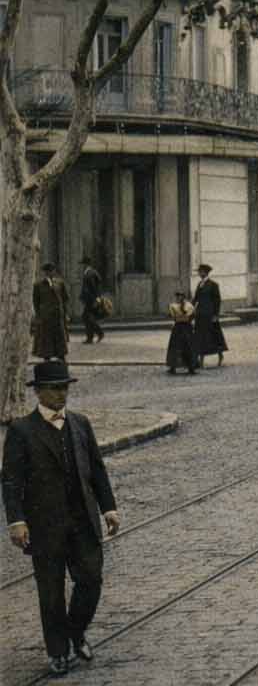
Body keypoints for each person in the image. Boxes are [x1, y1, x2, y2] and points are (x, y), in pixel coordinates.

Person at [4, 361, 121, 677]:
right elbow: (11, 480)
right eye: (55, 388)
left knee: (91, 580)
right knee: (51, 591)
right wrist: (16, 521)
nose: (61, 394)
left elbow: (96, 469)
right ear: (39, 392)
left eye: (65, 387)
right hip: (45, 526)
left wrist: (108, 507)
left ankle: (75, 630)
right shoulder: (21, 431)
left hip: (83, 520)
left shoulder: (81, 424)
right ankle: (57, 651)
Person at [32, 262, 70, 360]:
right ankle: (47, 358)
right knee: (46, 339)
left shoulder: (60, 283)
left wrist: (65, 313)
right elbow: (36, 302)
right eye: (47, 271)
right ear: (44, 272)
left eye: (52, 270)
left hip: (58, 315)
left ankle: (61, 357)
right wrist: (38, 316)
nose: (50, 273)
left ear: (54, 271)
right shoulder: (38, 284)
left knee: (60, 338)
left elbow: (65, 299)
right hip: (46, 316)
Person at [192, 263, 226, 367]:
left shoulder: (213, 285)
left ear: (205, 272)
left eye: (200, 271)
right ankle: (200, 360)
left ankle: (220, 355)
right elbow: (195, 299)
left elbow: (217, 300)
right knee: (199, 337)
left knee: (213, 336)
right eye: (199, 271)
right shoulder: (199, 284)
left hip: (209, 314)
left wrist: (216, 314)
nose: (199, 273)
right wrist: (189, 308)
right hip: (200, 314)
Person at [165, 289, 198, 375]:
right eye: (177, 296)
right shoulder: (173, 305)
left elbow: (193, 315)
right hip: (178, 328)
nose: (178, 298)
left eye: (180, 296)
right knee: (175, 347)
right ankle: (173, 366)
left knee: (188, 346)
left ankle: (191, 367)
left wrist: (189, 318)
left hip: (186, 327)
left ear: (183, 297)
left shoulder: (188, 305)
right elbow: (172, 316)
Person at [77, 256, 104, 345]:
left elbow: (93, 287)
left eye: (83, 264)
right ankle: (91, 337)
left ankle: (98, 334)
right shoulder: (89, 272)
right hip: (89, 299)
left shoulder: (90, 273)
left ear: (86, 264)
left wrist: (97, 298)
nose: (82, 266)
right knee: (87, 318)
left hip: (91, 299)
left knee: (86, 317)